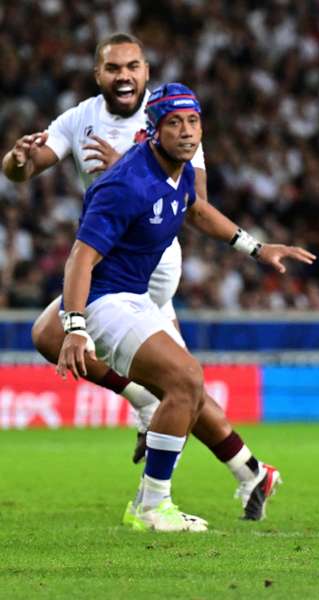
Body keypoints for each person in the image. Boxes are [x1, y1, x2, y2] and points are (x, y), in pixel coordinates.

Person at [1, 33, 291, 521]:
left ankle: (180, 448)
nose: (124, 75)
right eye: (114, 67)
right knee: (53, 335)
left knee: (180, 384)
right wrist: (16, 162)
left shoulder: (170, 120)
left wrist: (253, 247)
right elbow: (26, 171)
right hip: (109, 269)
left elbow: (191, 203)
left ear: (146, 71)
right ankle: (245, 470)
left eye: (132, 66)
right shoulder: (83, 120)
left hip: (151, 269)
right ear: (99, 74)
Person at [56, 82, 314, 531]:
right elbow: (81, 256)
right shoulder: (125, 184)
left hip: (135, 296)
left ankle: (245, 473)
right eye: (174, 122)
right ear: (152, 130)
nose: (187, 131)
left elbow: (196, 211)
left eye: (193, 121)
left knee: (186, 387)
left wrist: (255, 248)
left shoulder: (181, 172)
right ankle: (153, 505)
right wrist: (76, 325)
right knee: (185, 379)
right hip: (106, 300)